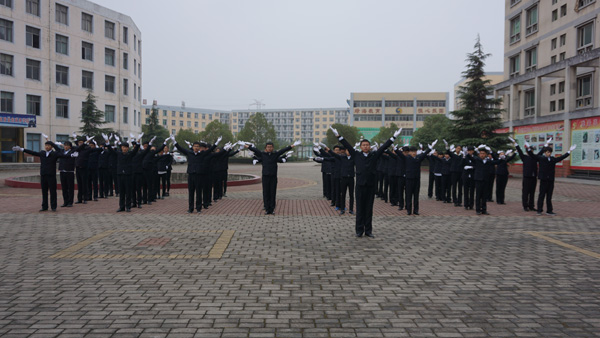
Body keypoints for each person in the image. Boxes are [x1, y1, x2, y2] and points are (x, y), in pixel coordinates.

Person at [332, 126, 401, 238]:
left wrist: (393, 137)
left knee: (369, 209)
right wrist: (338, 136)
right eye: (363, 145)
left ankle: (368, 230)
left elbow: (384, 147)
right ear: (360, 147)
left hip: (370, 186)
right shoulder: (356, 155)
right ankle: (359, 230)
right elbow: (347, 145)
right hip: (360, 185)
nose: (365, 147)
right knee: (360, 209)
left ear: (369, 147)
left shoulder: (374, 155)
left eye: (367, 145)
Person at [247, 140, 299, 215]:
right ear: (266, 148)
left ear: (273, 148)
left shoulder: (275, 155)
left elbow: (283, 150)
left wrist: (292, 146)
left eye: (271, 147)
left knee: (272, 193)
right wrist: (247, 146)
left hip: (273, 177)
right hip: (265, 177)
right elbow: (255, 150)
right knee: (266, 193)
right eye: (268, 147)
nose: (269, 148)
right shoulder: (262, 154)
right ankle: (267, 209)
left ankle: (272, 209)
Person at [13, 135, 62, 211]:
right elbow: (33, 152)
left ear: (51, 147)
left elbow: (59, 151)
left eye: (48, 145)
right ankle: (44, 206)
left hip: (51, 175)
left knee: (53, 191)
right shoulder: (42, 153)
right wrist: (22, 149)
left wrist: (52, 143)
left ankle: (53, 206)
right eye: (46, 145)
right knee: (44, 192)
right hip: (43, 175)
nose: (47, 147)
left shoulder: (55, 154)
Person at [173, 135, 221, 213]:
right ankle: (190, 208)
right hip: (191, 175)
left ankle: (198, 208)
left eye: (197, 146)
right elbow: (180, 148)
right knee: (191, 193)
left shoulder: (202, 154)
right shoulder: (189, 153)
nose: (196, 147)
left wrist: (217, 143)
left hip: (199, 175)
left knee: (199, 192)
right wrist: (174, 142)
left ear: (199, 147)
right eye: (195, 146)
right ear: (192, 147)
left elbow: (210, 150)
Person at [394, 142, 436, 215]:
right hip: (409, 179)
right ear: (409, 152)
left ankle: (416, 210)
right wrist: (395, 149)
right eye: (412, 151)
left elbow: (424, 154)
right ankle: (409, 210)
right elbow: (400, 154)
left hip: (417, 179)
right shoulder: (406, 158)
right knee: (408, 195)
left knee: (416, 195)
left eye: (415, 151)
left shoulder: (418, 158)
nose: (414, 153)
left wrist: (430, 148)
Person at [535, 144, 576, 215]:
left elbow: (561, 158)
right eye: (547, 152)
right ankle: (539, 210)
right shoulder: (541, 158)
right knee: (541, 195)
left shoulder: (553, 159)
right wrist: (529, 149)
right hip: (544, 180)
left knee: (549, 196)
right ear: (545, 152)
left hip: (550, 180)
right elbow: (534, 156)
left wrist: (569, 151)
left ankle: (549, 210)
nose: (549, 153)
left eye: (550, 152)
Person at [104, 134, 141, 212]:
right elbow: (111, 150)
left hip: (128, 174)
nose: (124, 149)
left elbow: (135, 150)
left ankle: (128, 206)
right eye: (123, 147)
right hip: (120, 174)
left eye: (126, 147)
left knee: (128, 191)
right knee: (121, 192)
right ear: (121, 148)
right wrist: (107, 142)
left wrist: (138, 142)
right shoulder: (118, 154)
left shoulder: (130, 154)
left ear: (128, 148)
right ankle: (121, 206)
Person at [470, 145, 500, 215]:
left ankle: (484, 209)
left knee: (484, 196)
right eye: (481, 153)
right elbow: (470, 157)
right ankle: (478, 209)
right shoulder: (477, 160)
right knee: (478, 195)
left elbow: (497, 161)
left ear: (486, 154)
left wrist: (491, 152)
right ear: (479, 154)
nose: (482, 155)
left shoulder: (488, 161)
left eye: (483, 153)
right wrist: (476, 149)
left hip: (486, 180)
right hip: (478, 179)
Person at [512, 137, 540, 212]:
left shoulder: (535, 157)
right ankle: (525, 205)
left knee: (532, 192)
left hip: (534, 177)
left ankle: (531, 206)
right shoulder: (524, 157)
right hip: (527, 177)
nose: (531, 151)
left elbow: (541, 153)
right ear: (527, 151)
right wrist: (516, 144)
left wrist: (546, 144)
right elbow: (519, 151)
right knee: (525, 192)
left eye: (532, 150)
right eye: (530, 150)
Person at [57, 140, 77, 207]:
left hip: (69, 172)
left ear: (70, 147)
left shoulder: (73, 152)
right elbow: (56, 148)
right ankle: (65, 201)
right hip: (62, 171)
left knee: (70, 188)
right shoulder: (61, 151)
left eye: (67, 145)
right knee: (64, 188)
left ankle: (70, 202)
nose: (65, 147)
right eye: (65, 145)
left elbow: (77, 148)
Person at [462, 146, 476, 210]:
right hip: (466, 176)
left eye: (471, 151)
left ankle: (471, 205)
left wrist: (471, 167)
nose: (470, 152)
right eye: (469, 151)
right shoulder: (465, 157)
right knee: (466, 191)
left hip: (473, 176)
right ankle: (466, 205)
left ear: (473, 151)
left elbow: (477, 165)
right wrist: (463, 157)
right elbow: (461, 165)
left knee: (472, 191)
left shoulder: (475, 157)